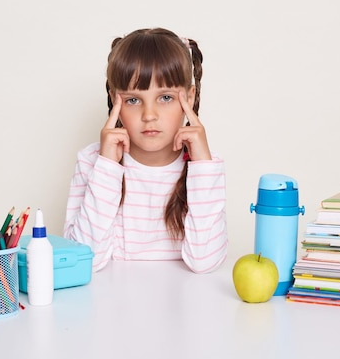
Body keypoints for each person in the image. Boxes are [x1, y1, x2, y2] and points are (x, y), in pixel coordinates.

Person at [63, 28, 227, 273]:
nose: (149, 115)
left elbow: (205, 262)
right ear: (114, 99)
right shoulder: (93, 162)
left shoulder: (203, 167)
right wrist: (107, 166)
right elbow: (84, 261)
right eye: (133, 100)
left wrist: (202, 164)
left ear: (189, 98)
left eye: (166, 98)